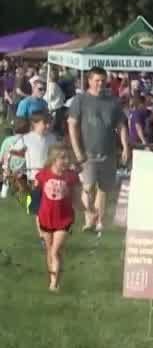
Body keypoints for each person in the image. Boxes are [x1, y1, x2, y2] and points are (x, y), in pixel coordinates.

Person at [67, 67, 129, 234]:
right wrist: (77, 150)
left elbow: (121, 125)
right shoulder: (80, 100)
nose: (100, 83)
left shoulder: (112, 102)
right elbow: (72, 125)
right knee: (87, 186)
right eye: (97, 80)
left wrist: (125, 147)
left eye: (103, 80)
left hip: (108, 152)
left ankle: (99, 221)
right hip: (87, 152)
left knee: (103, 189)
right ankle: (89, 216)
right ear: (89, 81)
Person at [33, 144, 79, 292]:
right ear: (53, 159)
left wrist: (89, 209)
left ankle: (53, 284)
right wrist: (36, 218)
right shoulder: (43, 174)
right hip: (45, 218)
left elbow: (77, 197)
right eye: (62, 158)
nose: (66, 161)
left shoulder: (71, 176)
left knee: (55, 251)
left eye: (68, 157)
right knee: (49, 250)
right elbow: (35, 198)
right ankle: (54, 279)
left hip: (64, 219)